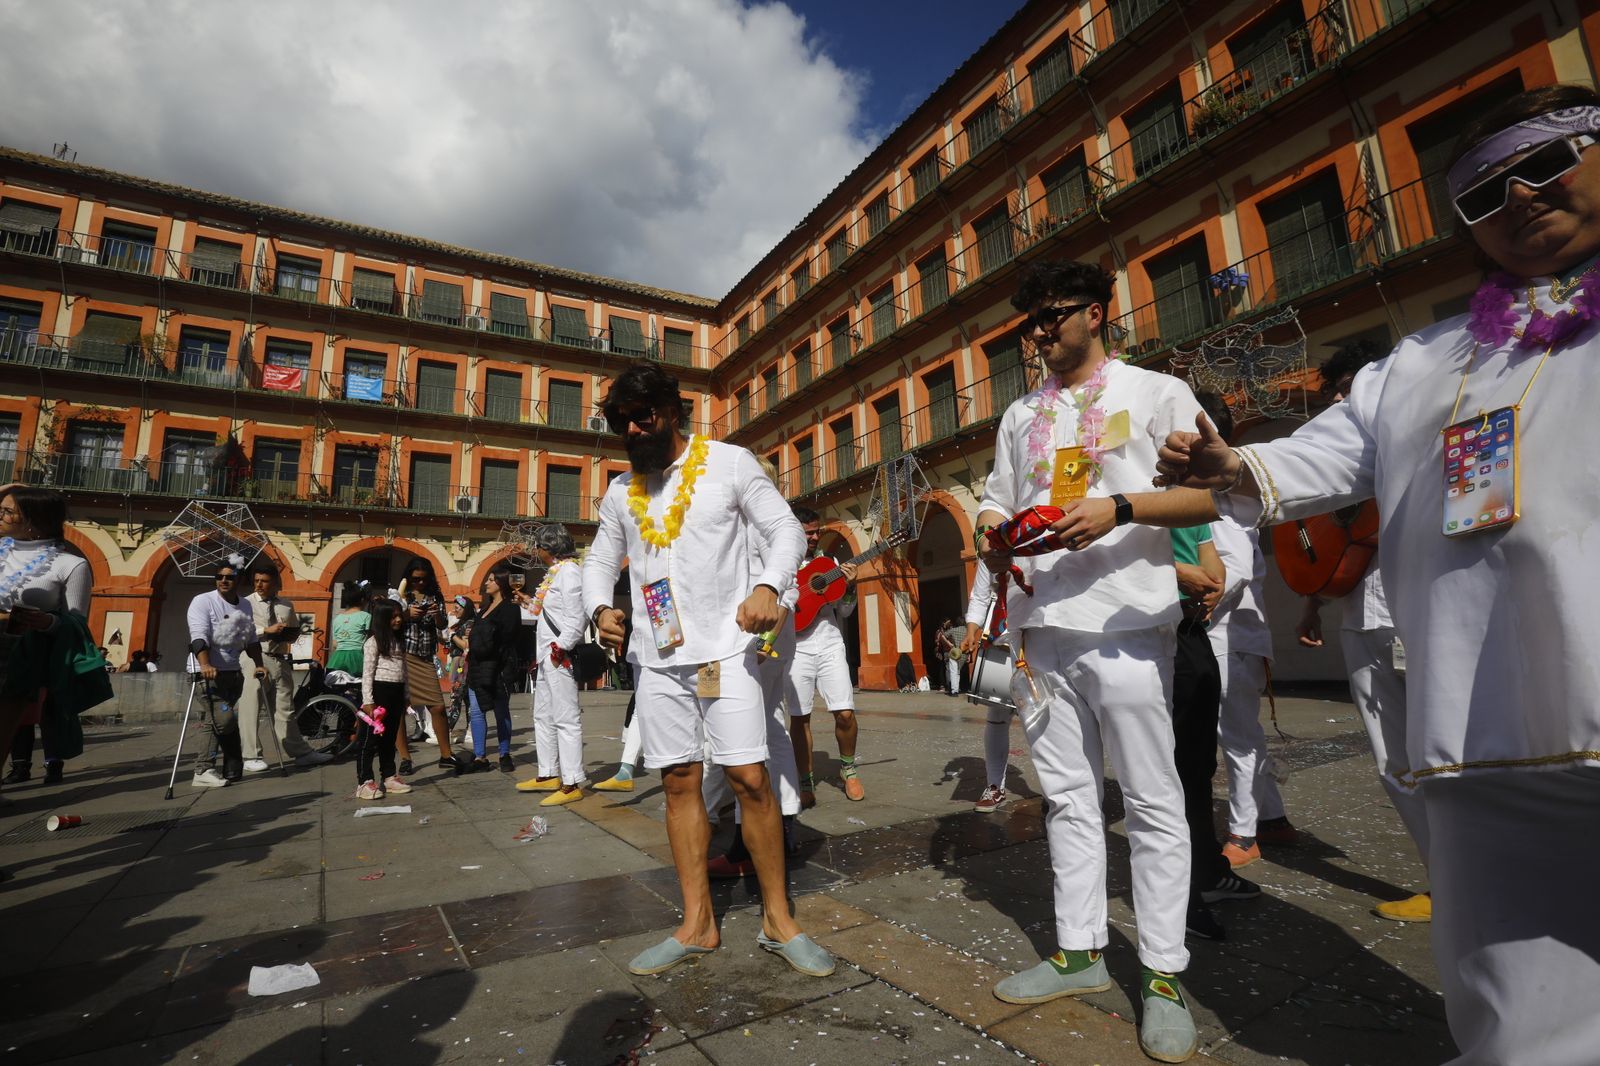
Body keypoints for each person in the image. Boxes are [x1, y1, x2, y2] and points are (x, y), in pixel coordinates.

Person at [1134, 84, 1600, 1066]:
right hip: (1478, 721)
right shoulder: (1420, 362)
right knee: (1513, 997)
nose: (1517, 197)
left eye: (1546, 164)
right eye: (1481, 195)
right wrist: (1231, 466)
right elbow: (1326, 453)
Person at [974, 260, 1199, 1062]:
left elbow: (1212, 493)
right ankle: (1079, 950)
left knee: (1150, 798)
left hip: (1129, 621)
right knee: (1067, 796)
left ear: (1097, 313)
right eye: (1028, 322)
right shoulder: (1018, 412)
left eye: (1053, 315)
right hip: (1043, 628)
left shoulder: (1155, 392)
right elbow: (998, 494)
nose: (1039, 333)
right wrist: (989, 526)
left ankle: (1166, 973)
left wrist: (1118, 509)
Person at [583, 362, 833, 979]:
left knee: (750, 777)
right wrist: (599, 609)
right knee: (677, 783)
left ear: (671, 412)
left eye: (643, 416)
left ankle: (779, 919)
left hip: (729, 649)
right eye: (620, 421)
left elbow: (785, 530)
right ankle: (697, 924)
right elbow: (598, 560)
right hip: (659, 657)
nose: (633, 428)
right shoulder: (621, 492)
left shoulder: (729, 462)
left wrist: (771, 587)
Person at [1291, 343, 1429, 922]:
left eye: (1349, 388)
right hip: (1360, 616)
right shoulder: (1340, 453)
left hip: (1413, 615)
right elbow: (1318, 534)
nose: (1342, 403)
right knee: (1391, 755)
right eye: (1335, 394)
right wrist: (1311, 604)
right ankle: (1441, 876)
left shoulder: (1419, 432)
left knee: (1443, 751)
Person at [1201, 395, 1297, 871]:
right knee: (1245, 732)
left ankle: (1244, 833)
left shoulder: (1224, 495)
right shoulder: (1218, 489)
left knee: (1236, 737)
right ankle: (1274, 818)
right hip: (1233, 636)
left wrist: (1196, 612)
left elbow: (1233, 570)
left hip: (1229, 636)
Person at [703, 455, 804, 875]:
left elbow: (788, 587)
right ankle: (777, 821)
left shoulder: (764, 518)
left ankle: (749, 836)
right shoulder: (741, 518)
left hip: (756, 640)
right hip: (734, 639)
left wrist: (764, 640)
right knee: (764, 726)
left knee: (742, 728)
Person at [1166, 521, 1258, 943]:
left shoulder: (1187, 495)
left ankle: (1205, 870)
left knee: (1198, 762)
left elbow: (1209, 556)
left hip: (1191, 628)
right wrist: (1177, 572)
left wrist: (1211, 582)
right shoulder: (1126, 472)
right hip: (1150, 628)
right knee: (1166, 771)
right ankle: (1175, 894)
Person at [0, 485, 94, 781]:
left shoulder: (71, 564)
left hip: (17, 656)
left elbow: (77, 622)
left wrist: (47, 622)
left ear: (31, 518)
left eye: (7, 511)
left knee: (2, 728)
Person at [786, 505, 864, 805]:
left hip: (829, 642)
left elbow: (844, 610)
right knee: (799, 716)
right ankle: (805, 781)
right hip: (796, 646)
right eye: (808, 533)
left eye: (817, 531)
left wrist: (850, 586)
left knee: (845, 712)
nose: (815, 537)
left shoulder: (830, 563)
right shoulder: (783, 561)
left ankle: (848, 768)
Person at [515, 527, 587, 801]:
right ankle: (548, 772)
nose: (536, 550)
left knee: (566, 719)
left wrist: (563, 646)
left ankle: (571, 782)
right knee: (542, 715)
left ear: (551, 548)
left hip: (559, 655)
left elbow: (576, 616)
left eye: (539, 546)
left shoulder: (569, 573)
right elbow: (544, 613)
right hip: (546, 655)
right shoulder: (556, 573)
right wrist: (527, 602)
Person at [185, 557, 268, 788]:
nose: (223, 581)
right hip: (207, 674)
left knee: (215, 722)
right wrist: (205, 664)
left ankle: (214, 768)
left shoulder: (245, 605)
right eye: (219, 577)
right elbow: (198, 635)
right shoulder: (202, 601)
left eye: (229, 577)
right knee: (225, 719)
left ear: (239, 580)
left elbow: (251, 639)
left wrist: (259, 664)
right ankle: (209, 767)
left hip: (234, 673)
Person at [239, 564, 330, 773]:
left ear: (275, 583)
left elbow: (293, 629)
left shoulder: (286, 606)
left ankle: (301, 752)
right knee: (251, 706)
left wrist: (289, 634)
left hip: (279, 658)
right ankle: (251, 754)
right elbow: (241, 631)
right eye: (257, 581)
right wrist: (265, 630)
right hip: (255, 656)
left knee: (285, 709)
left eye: (264, 581)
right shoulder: (245, 603)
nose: (259, 585)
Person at [457, 566, 520, 775]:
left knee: (501, 710)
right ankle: (479, 756)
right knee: (476, 711)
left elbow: (509, 638)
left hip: (498, 666)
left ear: (501, 582)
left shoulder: (510, 607)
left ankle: (504, 753)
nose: (486, 583)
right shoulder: (484, 609)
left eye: (491, 579)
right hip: (477, 665)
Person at [397, 556, 453, 768]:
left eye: (423, 579)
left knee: (438, 706)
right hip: (403, 655)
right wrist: (406, 614)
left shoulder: (435, 596)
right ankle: (405, 758)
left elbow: (442, 625)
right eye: (415, 579)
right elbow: (388, 621)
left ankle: (446, 755)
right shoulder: (401, 594)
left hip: (425, 657)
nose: (419, 583)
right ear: (408, 578)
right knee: (399, 708)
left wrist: (437, 615)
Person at [355, 597, 413, 800]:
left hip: (396, 693)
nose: (398, 620)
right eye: (393, 616)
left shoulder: (399, 641)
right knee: (368, 740)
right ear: (382, 619)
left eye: (399, 615)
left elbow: (404, 670)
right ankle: (364, 781)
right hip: (378, 693)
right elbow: (367, 673)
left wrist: (406, 695)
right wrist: (368, 701)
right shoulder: (373, 642)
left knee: (389, 739)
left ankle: (388, 776)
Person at [326, 581, 372, 676]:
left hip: (337, 658)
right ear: (363, 600)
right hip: (358, 657)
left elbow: (335, 644)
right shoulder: (366, 616)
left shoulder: (338, 619)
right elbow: (371, 640)